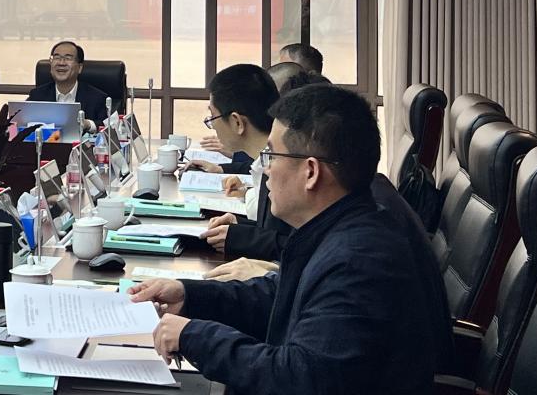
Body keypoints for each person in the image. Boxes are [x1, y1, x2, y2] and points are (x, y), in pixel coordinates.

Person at [130, 84, 436, 395]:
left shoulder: (359, 261)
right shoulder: (335, 227)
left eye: (271, 156)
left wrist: (195, 337)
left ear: (311, 172)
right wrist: (189, 295)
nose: (265, 170)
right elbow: (278, 297)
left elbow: (299, 378)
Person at [182, 64, 290, 260]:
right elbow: (276, 233)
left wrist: (242, 238)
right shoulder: (266, 161)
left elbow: (297, 246)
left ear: (237, 122)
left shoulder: (283, 170)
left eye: (212, 117)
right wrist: (239, 225)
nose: (212, 125)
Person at [26, 40, 108, 130]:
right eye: (57, 58)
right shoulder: (37, 96)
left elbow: (106, 126)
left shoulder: (97, 98)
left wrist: (87, 124)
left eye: (68, 58)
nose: (61, 63)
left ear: (79, 68)